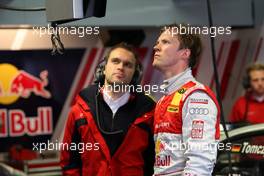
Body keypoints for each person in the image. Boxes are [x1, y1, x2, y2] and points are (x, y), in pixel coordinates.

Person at [60, 43, 155, 176]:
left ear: (135, 74)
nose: (121, 67)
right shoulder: (78, 112)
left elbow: (154, 162)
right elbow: (69, 162)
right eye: (115, 61)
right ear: (103, 69)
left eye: (128, 65)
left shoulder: (148, 113)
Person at [152, 24, 220, 176]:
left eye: (165, 42)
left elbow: (200, 163)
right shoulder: (163, 99)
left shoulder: (196, 97)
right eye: (158, 42)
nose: (156, 47)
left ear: (185, 53)